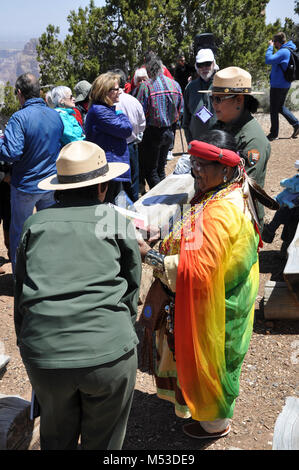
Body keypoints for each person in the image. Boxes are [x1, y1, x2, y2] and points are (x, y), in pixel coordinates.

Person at [14, 140, 141, 450]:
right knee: (106, 440)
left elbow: (22, 297)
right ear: (102, 187)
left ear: (59, 188)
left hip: (45, 355)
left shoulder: (34, 225)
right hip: (109, 353)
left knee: (57, 436)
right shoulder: (115, 221)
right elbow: (131, 289)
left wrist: (33, 343)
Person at [138, 130, 262, 439]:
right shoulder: (223, 191)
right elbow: (197, 237)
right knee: (212, 359)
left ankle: (214, 424)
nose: (197, 170)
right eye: (195, 163)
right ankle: (206, 412)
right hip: (220, 294)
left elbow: (198, 271)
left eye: (204, 165)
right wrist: (166, 238)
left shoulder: (223, 210)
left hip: (219, 303)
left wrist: (151, 256)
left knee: (216, 361)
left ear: (226, 167)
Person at [0, 73, 64, 273]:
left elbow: (12, 152)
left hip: (25, 186)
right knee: (49, 230)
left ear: (20, 94)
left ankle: (21, 280)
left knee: (20, 233)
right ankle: (48, 273)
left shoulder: (19, 118)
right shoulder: (55, 115)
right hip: (51, 184)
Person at [203, 66, 271, 227]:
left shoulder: (252, 140)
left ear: (239, 100)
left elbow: (241, 189)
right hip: (218, 213)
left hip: (241, 220)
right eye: (212, 98)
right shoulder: (222, 126)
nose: (213, 104)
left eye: (218, 99)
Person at [136, 55, 183, 190]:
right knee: (161, 169)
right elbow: (181, 109)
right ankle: (165, 195)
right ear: (162, 69)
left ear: (149, 71)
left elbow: (140, 112)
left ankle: (160, 197)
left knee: (150, 170)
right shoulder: (175, 84)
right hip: (169, 131)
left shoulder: (146, 87)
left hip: (152, 132)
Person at [85, 72, 133, 204]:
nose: (120, 92)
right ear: (105, 91)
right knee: (111, 205)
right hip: (109, 168)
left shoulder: (104, 109)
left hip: (111, 165)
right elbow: (126, 129)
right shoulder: (100, 111)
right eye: (117, 89)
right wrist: (121, 113)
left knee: (118, 203)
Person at [114, 69, 146, 202]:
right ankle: (135, 207)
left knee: (119, 184)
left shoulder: (109, 103)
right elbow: (142, 123)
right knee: (133, 180)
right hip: (132, 145)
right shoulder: (132, 100)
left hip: (117, 148)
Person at [265, 32, 299, 141]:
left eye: (274, 41)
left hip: (278, 85)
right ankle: (296, 124)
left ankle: (273, 134)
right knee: (279, 107)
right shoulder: (288, 49)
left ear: (277, 42)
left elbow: (268, 59)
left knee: (274, 110)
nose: (273, 43)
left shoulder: (283, 52)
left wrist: (270, 47)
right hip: (284, 84)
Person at [182, 48, 218, 144]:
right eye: (200, 65)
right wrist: (190, 144)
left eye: (207, 64)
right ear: (196, 67)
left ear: (213, 64)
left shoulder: (222, 85)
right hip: (198, 145)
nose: (204, 68)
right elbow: (186, 120)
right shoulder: (190, 88)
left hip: (220, 146)